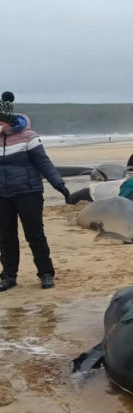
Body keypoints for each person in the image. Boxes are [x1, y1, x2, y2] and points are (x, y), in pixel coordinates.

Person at [0, 97, 71, 291]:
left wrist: (59, 184)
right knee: (6, 237)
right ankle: (8, 275)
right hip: (3, 195)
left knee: (35, 234)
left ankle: (46, 274)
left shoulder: (28, 136)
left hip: (28, 192)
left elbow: (43, 162)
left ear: (7, 119)